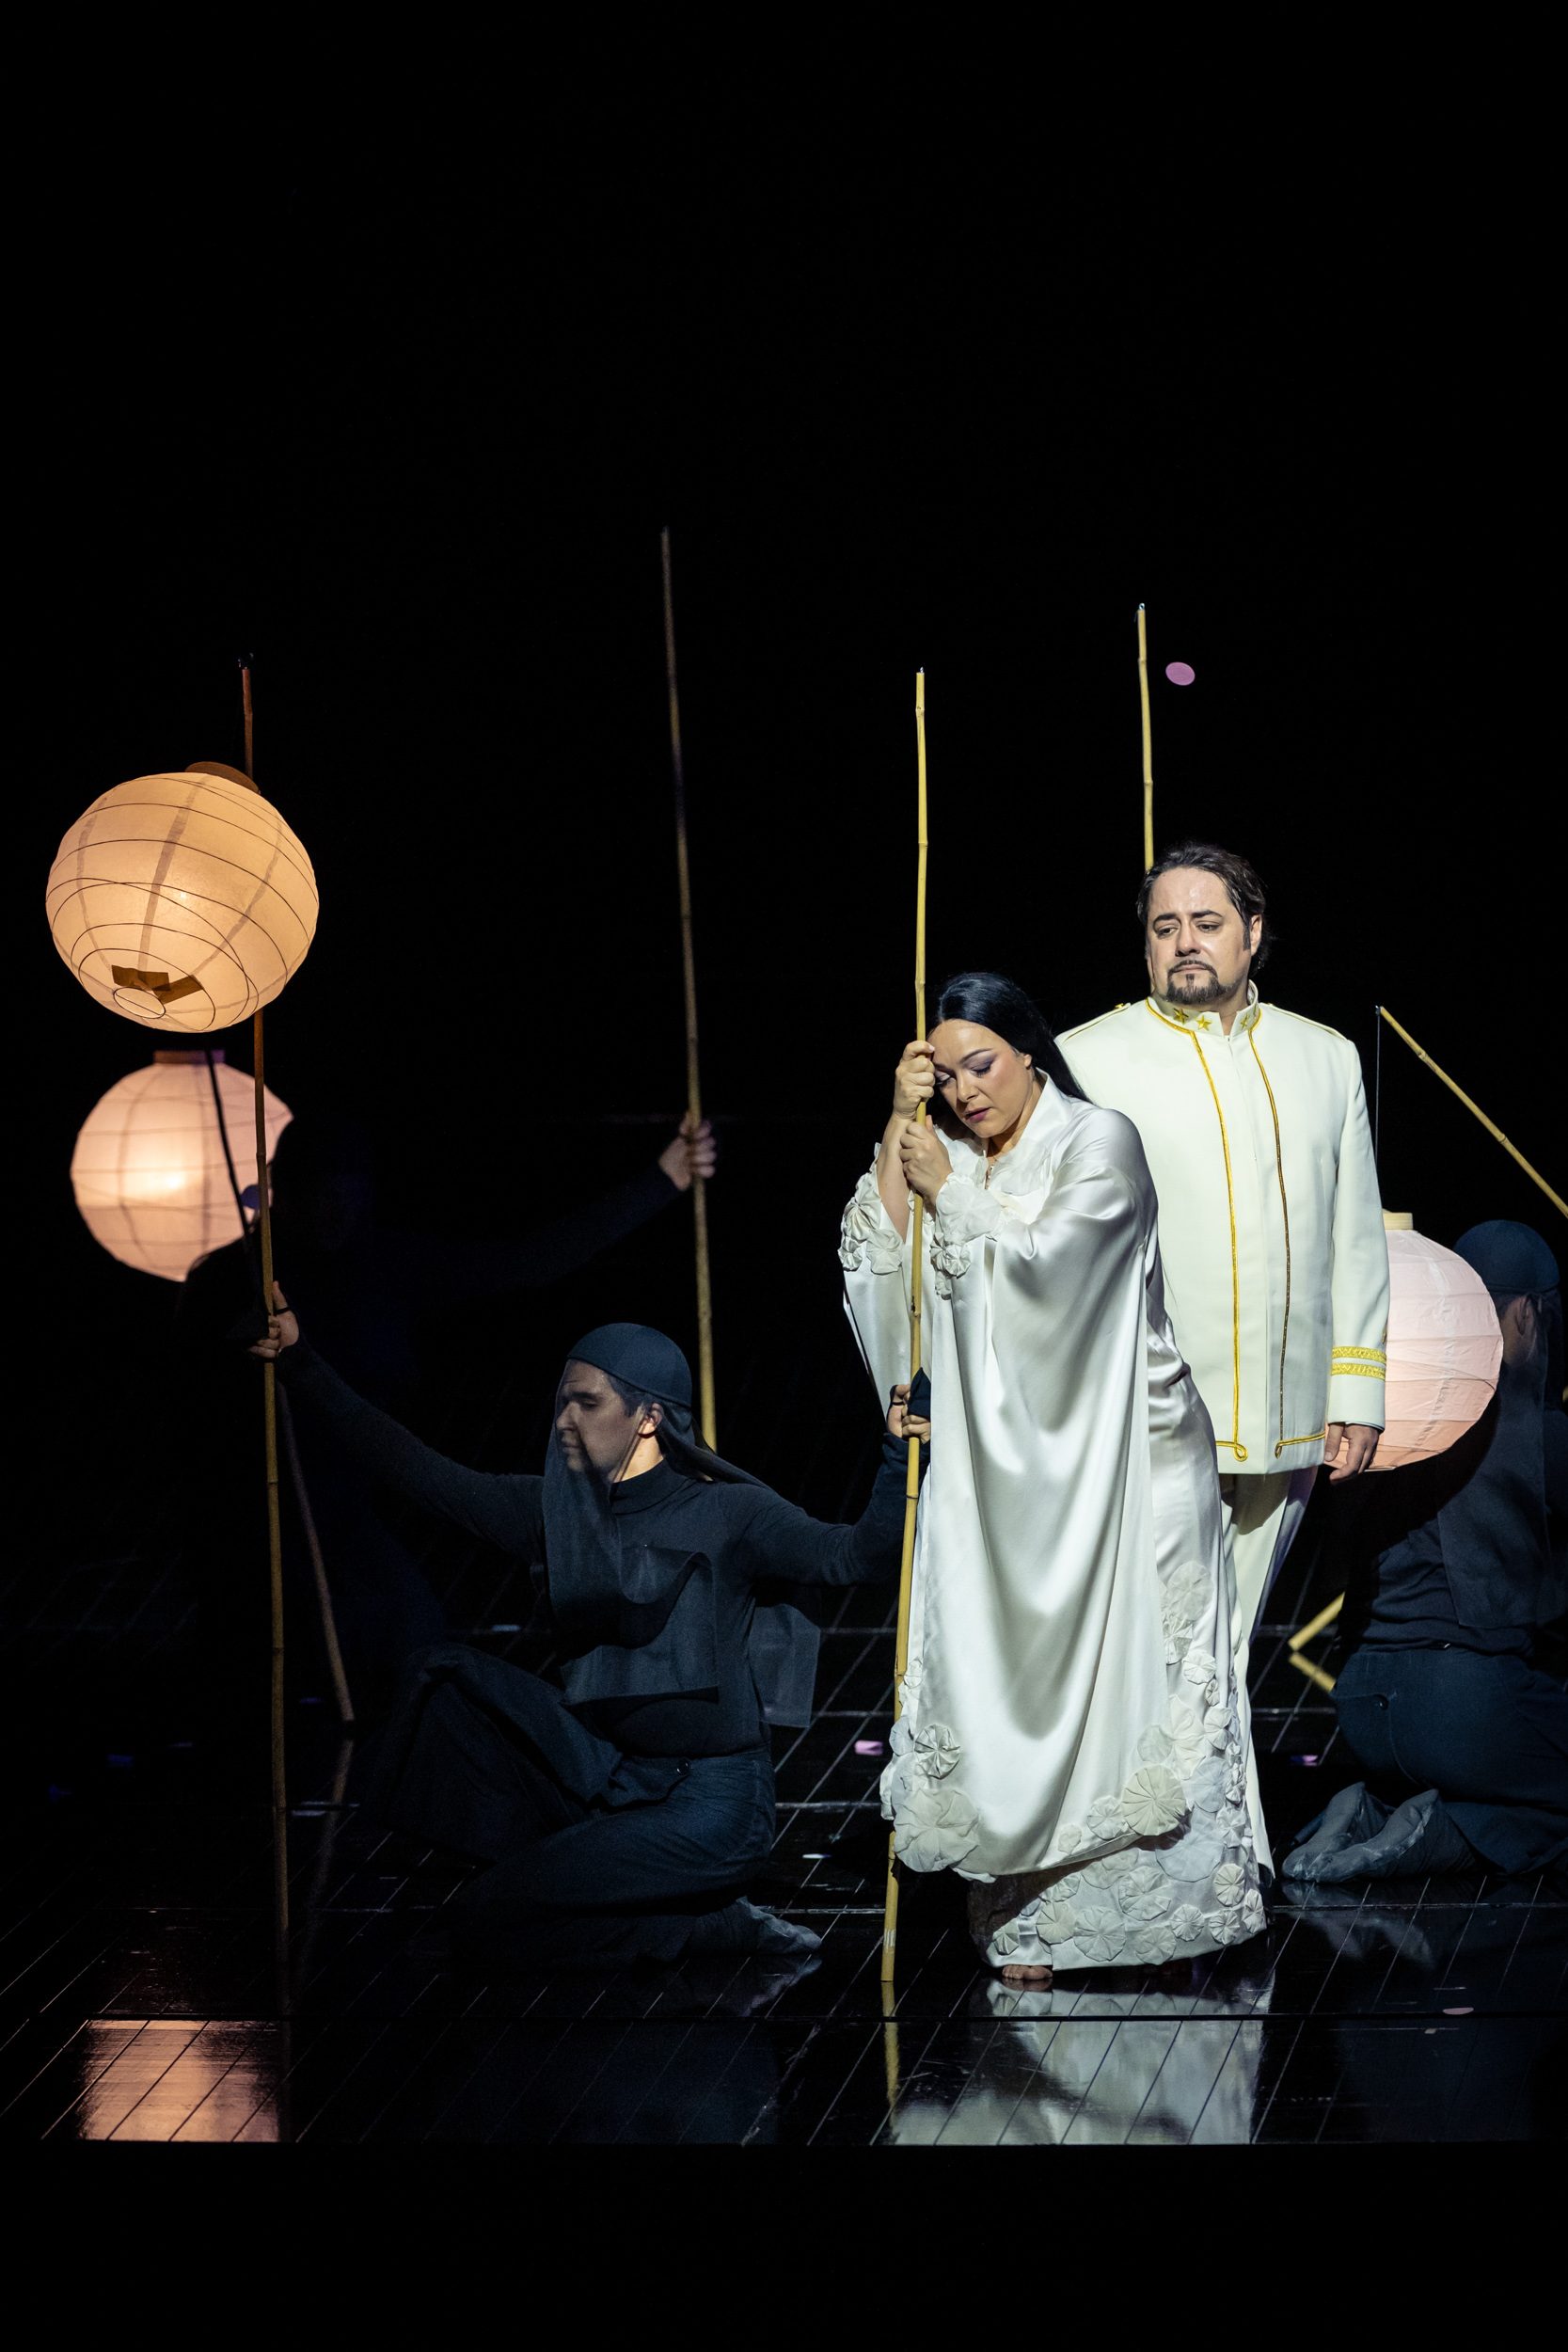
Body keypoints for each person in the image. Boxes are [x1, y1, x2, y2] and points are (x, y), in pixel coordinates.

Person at [250, 1291, 927, 1968]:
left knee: (489, 1915)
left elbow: (854, 1556)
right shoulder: (554, 1513)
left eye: (587, 1403)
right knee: (447, 1674)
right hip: (604, 1782)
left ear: (649, 1416)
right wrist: (302, 1360)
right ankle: (672, 1907)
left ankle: (710, 1926)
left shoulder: (731, 1514)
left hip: (712, 1808)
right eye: (561, 1403)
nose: (565, 1421)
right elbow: (422, 1474)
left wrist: (898, 1452)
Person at [839, 971, 1264, 1984]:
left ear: (1029, 1049)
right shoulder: (954, 1148)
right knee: (1019, 1667)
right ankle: (1035, 1908)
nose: (963, 1092)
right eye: (941, 1078)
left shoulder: (1096, 1142)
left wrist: (953, 1194)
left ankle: (1163, 1913)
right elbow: (882, 1260)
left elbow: (1055, 1281)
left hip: (1132, 1460)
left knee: (1144, 1678)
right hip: (1013, 1471)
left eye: (977, 1065)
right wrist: (900, 1132)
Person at [1059, 843, 1390, 1863]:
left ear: (1252, 932)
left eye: (1205, 923)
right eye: (1164, 927)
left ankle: (1193, 1855)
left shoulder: (1322, 1055)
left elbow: (1353, 1231)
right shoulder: (1089, 1056)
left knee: (1223, 1646)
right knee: (1162, 1649)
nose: (1184, 943)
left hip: (1290, 1413)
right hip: (1151, 1411)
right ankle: (1163, 1856)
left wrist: (1356, 1388)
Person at [173, 1106, 718, 1717]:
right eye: (321, 1194)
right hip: (249, 1512)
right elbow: (195, 1410)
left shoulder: (379, 1261)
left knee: (410, 1642)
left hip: (347, 1513)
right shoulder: (235, 1278)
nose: (338, 1212)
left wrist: (662, 1180)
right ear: (282, 1191)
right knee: (253, 1668)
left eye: (350, 1195)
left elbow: (525, 1263)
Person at [1284, 1220, 1567, 1885]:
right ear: (1526, 1312)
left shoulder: (1372, 1425)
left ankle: (1369, 1804)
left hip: (1357, 1706)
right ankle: (1445, 1828)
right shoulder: (1541, 1437)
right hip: (1469, 1709)